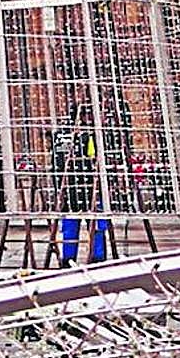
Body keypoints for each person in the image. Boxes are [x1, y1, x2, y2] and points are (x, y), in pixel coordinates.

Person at [52, 103, 108, 266]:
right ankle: (98, 259)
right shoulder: (90, 135)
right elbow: (95, 159)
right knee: (97, 225)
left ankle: (68, 260)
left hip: (67, 190)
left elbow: (55, 161)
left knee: (70, 228)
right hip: (90, 188)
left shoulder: (60, 134)